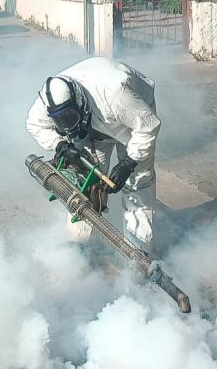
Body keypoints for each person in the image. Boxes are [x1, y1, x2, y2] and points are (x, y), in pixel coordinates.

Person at [27, 57, 160, 252]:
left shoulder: (116, 94)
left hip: (132, 121)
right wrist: (60, 145)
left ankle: (139, 253)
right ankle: (78, 244)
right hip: (93, 125)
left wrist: (129, 162)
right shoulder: (48, 100)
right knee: (84, 184)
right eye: (60, 121)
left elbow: (149, 126)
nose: (66, 124)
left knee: (137, 183)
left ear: (79, 101)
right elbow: (34, 124)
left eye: (69, 118)